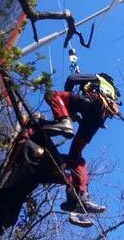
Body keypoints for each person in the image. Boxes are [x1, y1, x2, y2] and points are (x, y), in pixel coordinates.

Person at [42, 72, 121, 215]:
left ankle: (62, 121)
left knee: (52, 95)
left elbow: (71, 78)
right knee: (76, 157)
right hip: (98, 118)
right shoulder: (111, 91)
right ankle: (80, 197)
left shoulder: (97, 78)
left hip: (93, 103)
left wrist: (69, 109)